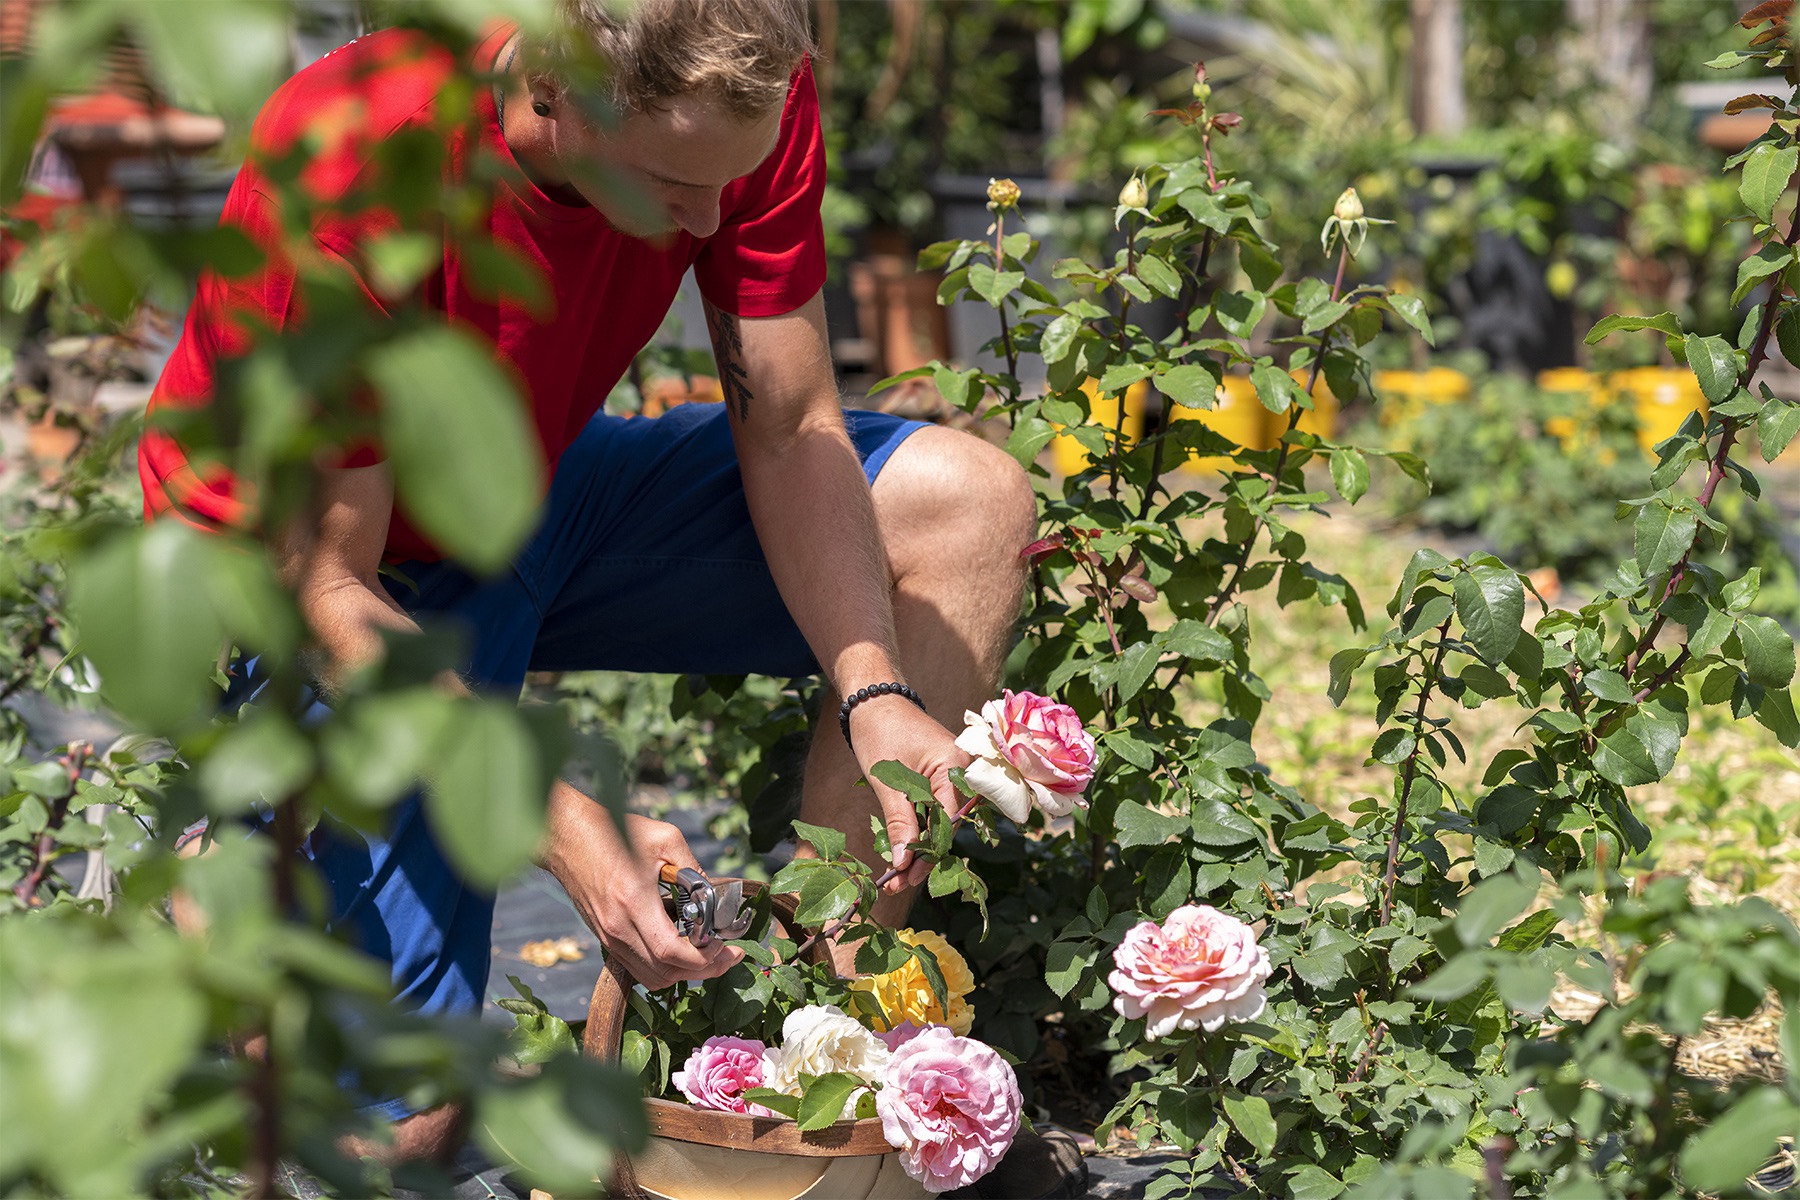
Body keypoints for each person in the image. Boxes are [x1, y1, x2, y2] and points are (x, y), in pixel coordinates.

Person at [143, 0, 1038, 1166]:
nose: (708, 219)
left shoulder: (739, 93)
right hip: (325, 575)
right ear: (553, 88)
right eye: (670, 183)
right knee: (394, 1137)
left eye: (732, 180)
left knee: (970, 507)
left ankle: (816, 1057)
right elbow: (327, 583)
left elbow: (791, 423)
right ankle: (219, 898)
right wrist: (562, 822)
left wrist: (876, 692)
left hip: (529, 488)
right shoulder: (360, 159)